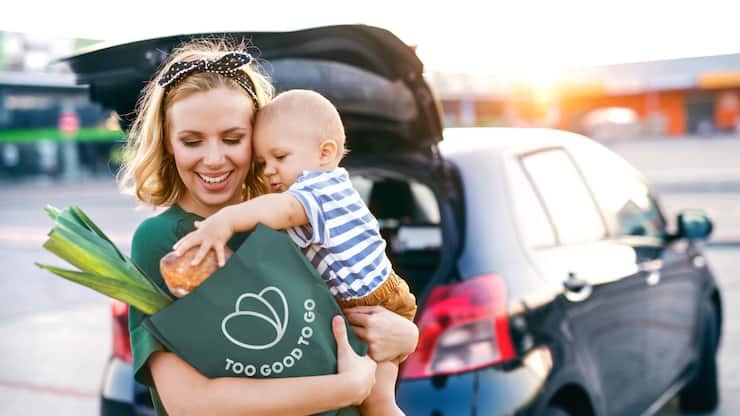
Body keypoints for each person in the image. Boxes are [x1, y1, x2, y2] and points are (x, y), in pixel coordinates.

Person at [120, 39, 419, 416]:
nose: (214, 159)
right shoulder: (164, 241)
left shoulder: (287, 223)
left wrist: (406, 336)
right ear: (168, 146)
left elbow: (340, 317)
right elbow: (189, 403)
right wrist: (344, 388)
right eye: (192, 141)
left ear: (260, 141)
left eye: (233, 139)